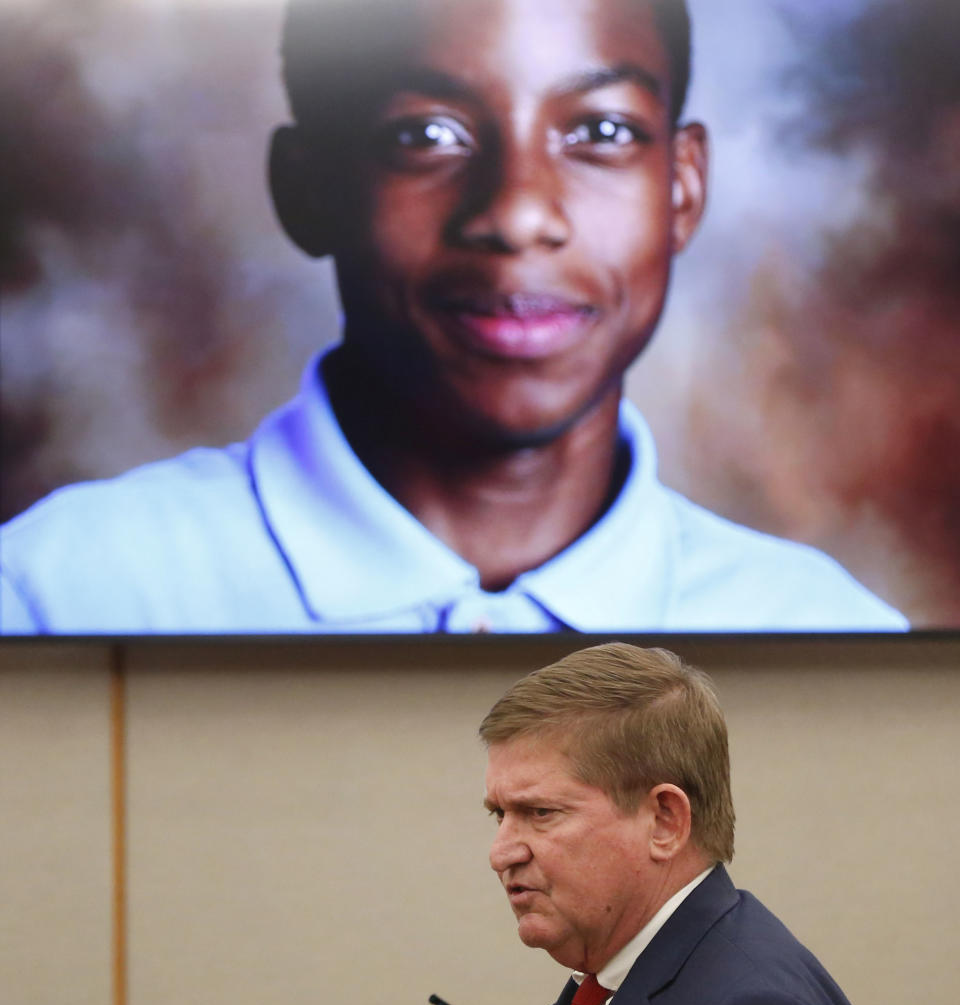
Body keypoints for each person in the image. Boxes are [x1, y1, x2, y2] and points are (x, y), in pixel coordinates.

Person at [0, 0, 907, 635]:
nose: (516, 212)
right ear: (307, 188)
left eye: (601, 132)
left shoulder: (825, 635)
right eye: (427, 134)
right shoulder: (62, 592)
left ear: (683, 187)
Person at [470, 642, 894, 1005]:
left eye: (540, 813)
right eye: (499, 815)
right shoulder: (622, 981)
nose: (501, 853)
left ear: (665, 820)